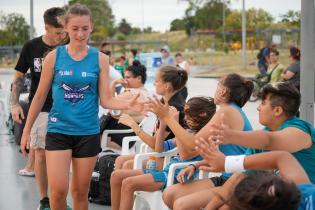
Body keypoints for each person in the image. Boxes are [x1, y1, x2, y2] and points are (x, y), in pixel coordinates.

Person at [19, 4, 143, 210]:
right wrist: (26, 131)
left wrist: (128, 103)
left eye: (85, 28)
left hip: (87, 132)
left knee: (79, 192)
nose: (80, 33)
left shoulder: (100, 59)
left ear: (91, 28)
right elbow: (39, 96)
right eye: (75, 28)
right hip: (59, 130)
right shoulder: (54, 57)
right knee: (58, 192)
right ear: (66, 27)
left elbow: (106, 100)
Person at [147, 73, 254, 209]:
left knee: (181, 204)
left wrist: (167, 117)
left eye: (218, 86)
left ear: (223, 91)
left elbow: (191, 145)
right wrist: (195, 166)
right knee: (169, 194)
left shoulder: (226, 112)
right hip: (228, 177)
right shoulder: (230, 111)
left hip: (240, 181)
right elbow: (229, 156)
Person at [110, 96, 217, 210]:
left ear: (202, 115)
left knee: (128, 183)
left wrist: (174, 123)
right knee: (116, 176)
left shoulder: (207, 137)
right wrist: (163, 123)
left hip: (176, 176)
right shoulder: (187, 132)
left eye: (189, 114)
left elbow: (184, 155)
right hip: (166, 171)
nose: (185, 118)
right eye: (185, 114)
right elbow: (159, 149)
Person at [10, 7, 66, 210]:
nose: (62, 36)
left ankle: (60, 201)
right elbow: (18, 78)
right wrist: (14, 103)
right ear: (47, 28)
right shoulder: (31, 47)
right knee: (41, 153)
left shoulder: (69, 44)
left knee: (64, 155)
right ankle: (44, 201)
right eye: (58, 32)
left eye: (64, 32)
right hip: (41, 106)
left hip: (67, 107)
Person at [208, 82, 315, 183]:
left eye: (263, 103)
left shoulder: (300, 129)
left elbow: (269, 141)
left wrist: (232, 138)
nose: (258, 108)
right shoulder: (262, 136)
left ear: (277, 110)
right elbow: (239, 177)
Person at [194, 139, 313, 210]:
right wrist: (226, 162)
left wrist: (228, 163)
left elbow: (282, 157)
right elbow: (282, 157)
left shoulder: (304, 190)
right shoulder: (306, 192)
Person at [114, 65, 188, 170]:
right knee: (120, 160)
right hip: (157, 153)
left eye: (156, 81)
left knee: (126, 165)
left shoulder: (173, 109)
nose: (154, 84)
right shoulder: (165, 102)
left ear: (166, 86)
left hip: (166, 158)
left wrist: (133, 125)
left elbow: (154, 143)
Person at [100, 60, 150, 150]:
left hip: (117, 136)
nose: (124, 80)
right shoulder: (146, 92)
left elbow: (110, 106)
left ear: (139, 78)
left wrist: (113, 84)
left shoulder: (131, 92)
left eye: (128, 77)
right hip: (130, 134)